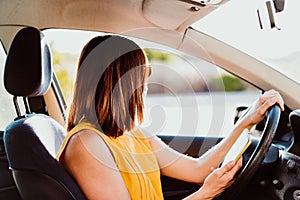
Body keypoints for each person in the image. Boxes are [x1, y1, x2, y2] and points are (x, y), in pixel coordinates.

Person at [56, 35, 284, 200]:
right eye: (142, 82)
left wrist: (245, 122)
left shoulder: (133, 133)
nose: (145, 90)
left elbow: (198, 170)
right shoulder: (87, 144)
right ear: (125, 86)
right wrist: (205, 194)